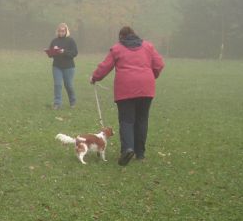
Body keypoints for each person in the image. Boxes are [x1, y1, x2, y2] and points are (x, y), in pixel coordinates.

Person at [90, 26, 164, 166]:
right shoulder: (148, 46)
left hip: (126, 89)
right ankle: (140, 153)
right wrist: (151, 75)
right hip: (146, 88)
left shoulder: (117, 48)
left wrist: (94, 78)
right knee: (142, 120)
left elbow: (105, 67)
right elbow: (159, 64)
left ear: (121, 37)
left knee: (127, 121)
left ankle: (127, 149)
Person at [47, 22, 78, 110]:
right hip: (57, 66)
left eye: (63, 31)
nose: (61, 33)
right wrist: (49, 52)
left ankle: (72, 101)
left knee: (69, 85)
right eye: (59, 31)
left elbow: (75, 53)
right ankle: (57, 103)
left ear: (66, 31)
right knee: (57, 84)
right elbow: (51, 53)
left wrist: (64, 52)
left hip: (69, 67)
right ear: (57, 31)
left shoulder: (70, 41)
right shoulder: (54, 41)